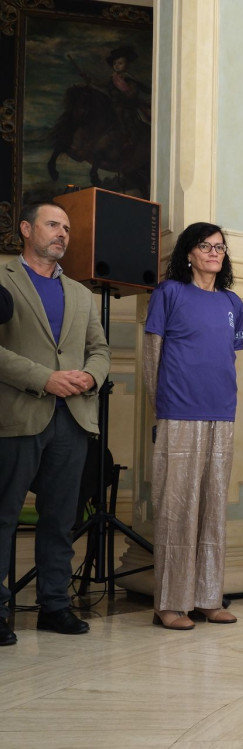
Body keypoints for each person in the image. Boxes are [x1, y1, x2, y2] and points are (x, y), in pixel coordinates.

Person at [0, 201, 109, 645]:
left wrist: (91, 375)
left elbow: (99, 349)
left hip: (73, 421)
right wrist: (44, 378)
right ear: (26, 229)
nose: (62, 233)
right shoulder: (3, 278)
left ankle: (54, 606)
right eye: (52, 224)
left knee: (60, 519)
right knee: (3, 517)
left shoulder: (82, 294)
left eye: (66, 227)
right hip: (19, 415)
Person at [143, 222, 243, 629]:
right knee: (177, 510)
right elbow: (152, 357)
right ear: (189, 252)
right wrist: (160, 407)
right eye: (206, 246)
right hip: (179, 412)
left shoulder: (232, 302)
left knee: (213, 508)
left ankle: (207, 597)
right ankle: (170, 603)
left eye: (220, 246)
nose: (214, 252)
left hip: (222, 412)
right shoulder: (168, 294)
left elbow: (228, 356)